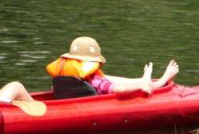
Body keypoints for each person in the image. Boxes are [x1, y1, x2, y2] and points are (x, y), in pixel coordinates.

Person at [46, 36, 179, 95]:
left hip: (75, 103)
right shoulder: (97, 81)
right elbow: (120, 90)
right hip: (95, 103)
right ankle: (157, 80)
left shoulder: (64, 78)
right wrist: (141, 85)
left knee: (137, 82)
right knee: (141, 85)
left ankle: (148, 79)